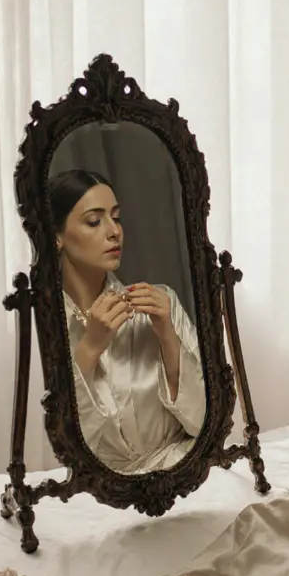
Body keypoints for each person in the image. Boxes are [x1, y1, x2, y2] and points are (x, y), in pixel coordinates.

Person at [49, 169, 207, 474]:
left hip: (183, 474)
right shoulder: (43, 328)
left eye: (116, 218)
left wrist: (168, 339)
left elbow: (204, 421)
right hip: (95, 494)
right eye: (94, 221)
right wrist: (90, 347)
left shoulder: (161, 303)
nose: (114, 232)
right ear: (56, 237)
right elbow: (50, 451)